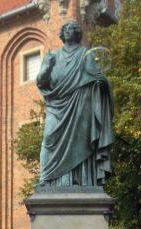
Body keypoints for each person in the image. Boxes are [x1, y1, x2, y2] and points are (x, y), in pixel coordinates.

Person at [36, 20, 113, 187]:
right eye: (66, 28)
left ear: (77, 33)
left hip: (81, 103)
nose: (69, 30)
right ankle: (46, 178)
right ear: (62, 34)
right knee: (49, 137)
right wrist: (46, 67)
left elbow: (96, 78)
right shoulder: (53, 56)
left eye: (72, 28)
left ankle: (81, 180)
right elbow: (42, 82)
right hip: (57, 105)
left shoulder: (86, 54)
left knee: (81, 141)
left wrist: (102, 83)